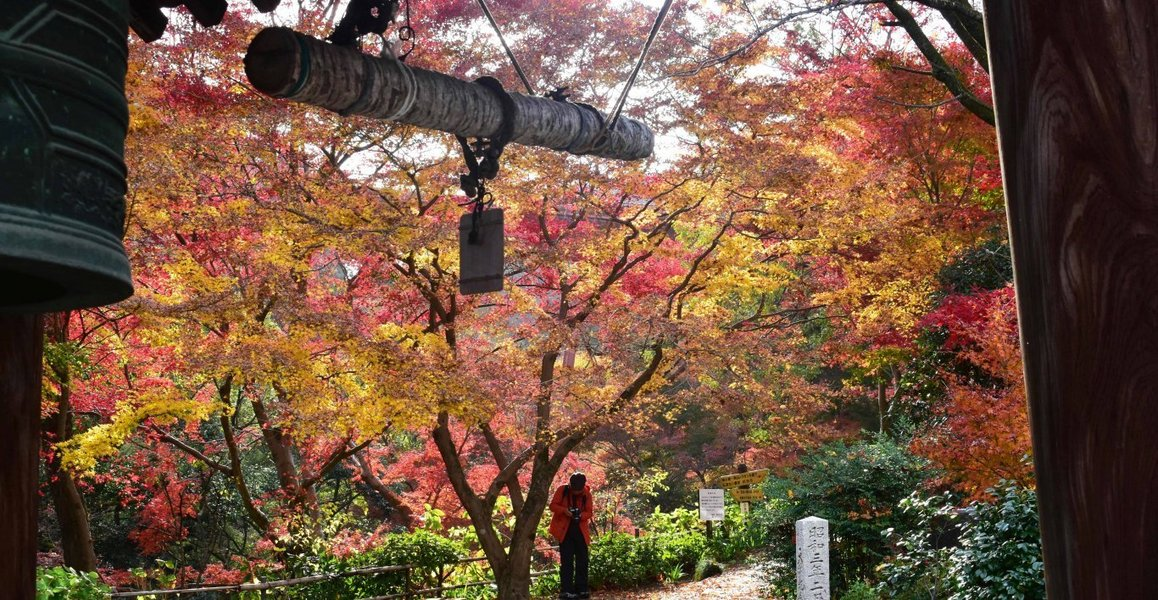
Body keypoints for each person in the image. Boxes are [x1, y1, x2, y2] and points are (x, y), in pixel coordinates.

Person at [549, 472, 594, 599]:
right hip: (565, 531)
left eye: (578, 491)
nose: (575, 493)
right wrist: (565, 511)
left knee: (583, 560)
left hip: (580, 531)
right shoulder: (562, 490)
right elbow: (552, 506)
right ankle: (566, 590)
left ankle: (582, 589)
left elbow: (589, 512)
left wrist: (580, 516)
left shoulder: (587, 494)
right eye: (574, 490)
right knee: (567, 561)